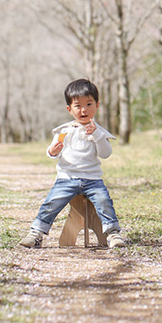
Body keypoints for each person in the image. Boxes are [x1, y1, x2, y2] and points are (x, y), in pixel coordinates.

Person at [20, 78, 125, 249]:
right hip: (66, 179)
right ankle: (36, 232)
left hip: (92, 180)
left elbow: (106, 154)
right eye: (78, 106)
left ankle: (113, 233)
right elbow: (53, 153)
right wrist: (53, 150)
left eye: (89, 104)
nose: (84, 110)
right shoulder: (64, 131)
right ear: (69, 109)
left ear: (97, 105)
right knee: (51, 203)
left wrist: (97, 135)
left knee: (104, 201)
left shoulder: (98, 131)